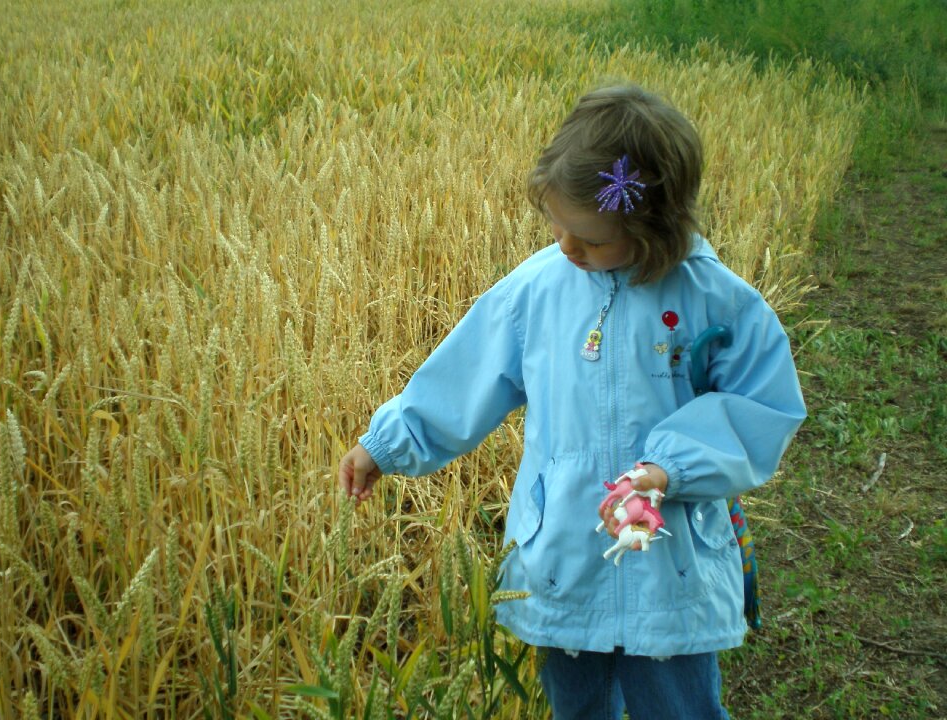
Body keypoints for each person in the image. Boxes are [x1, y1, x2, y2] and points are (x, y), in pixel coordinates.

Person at [338, 84, 806, 719]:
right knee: (576, 707)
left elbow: (762, 406)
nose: (568, 247)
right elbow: (468, 373)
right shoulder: (539, 290)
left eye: (589, 236)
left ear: (654, 227)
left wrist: (672, 466)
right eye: (558, 226)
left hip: (672, 561)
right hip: (566, 550)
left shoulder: (716, 301)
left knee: (680, 708)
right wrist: (390, 442)